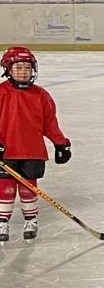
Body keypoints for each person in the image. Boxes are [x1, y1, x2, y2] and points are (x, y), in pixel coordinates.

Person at [0, 46, 72, 242]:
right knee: (4, 188)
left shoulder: (41, 95)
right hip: (5, 152)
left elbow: (49, 123)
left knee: (28, 188)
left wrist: (60, 143)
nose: (24, 71)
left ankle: (30, 220)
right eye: (18, 67)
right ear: (8, 69)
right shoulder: (1, 93)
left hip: (32, 152)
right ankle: (2, 222)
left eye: (27, 67)